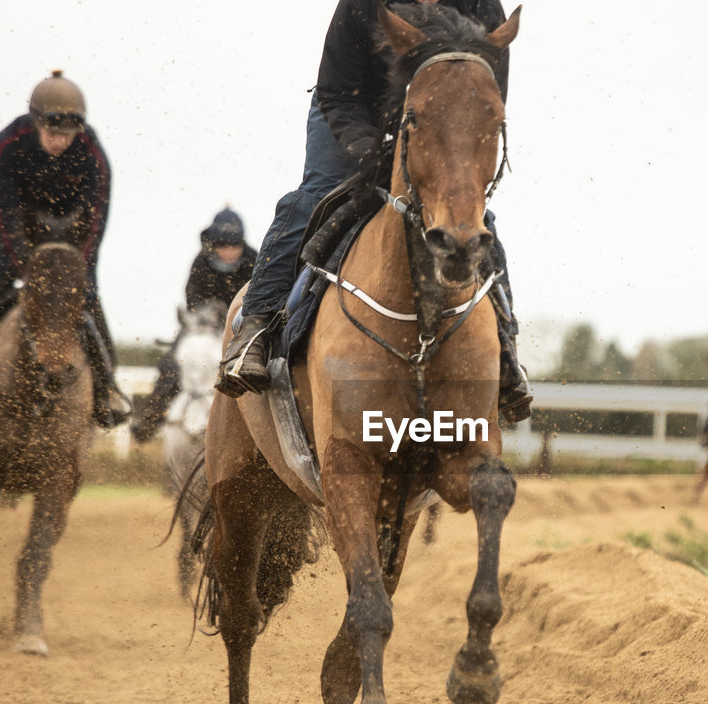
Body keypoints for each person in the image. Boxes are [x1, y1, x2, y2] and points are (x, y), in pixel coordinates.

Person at [214, 0, 532, 423]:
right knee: (314, 196)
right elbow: (336, 91)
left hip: (439, 122)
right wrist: (371, 152)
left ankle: (506, 351)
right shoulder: (361, 4)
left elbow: (486, 99)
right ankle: (254, 327)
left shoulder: (482, 5)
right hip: (348, 113)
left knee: (473, 219)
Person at [0, 71, 130, 428]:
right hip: (18, 231)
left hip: (74, 239)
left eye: (67, 135)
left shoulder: (94, 153)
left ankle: (107, 387)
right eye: (53, 133)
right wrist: (26, 265)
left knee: (88, 294)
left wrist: (76, 268)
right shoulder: (9, 143)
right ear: (36, 124)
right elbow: (0, 207)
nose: (60, 142)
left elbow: (97, 220)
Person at [130, 208, 257, 442]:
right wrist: (210, 314)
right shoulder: (201, 261)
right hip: (201, 326)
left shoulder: (253, 260)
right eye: (223, 246)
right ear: (213, 245)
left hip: (243, 327)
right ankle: (149, 420)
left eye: (234, 246)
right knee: (171, 364)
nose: (229, 252)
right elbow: (192, 299)